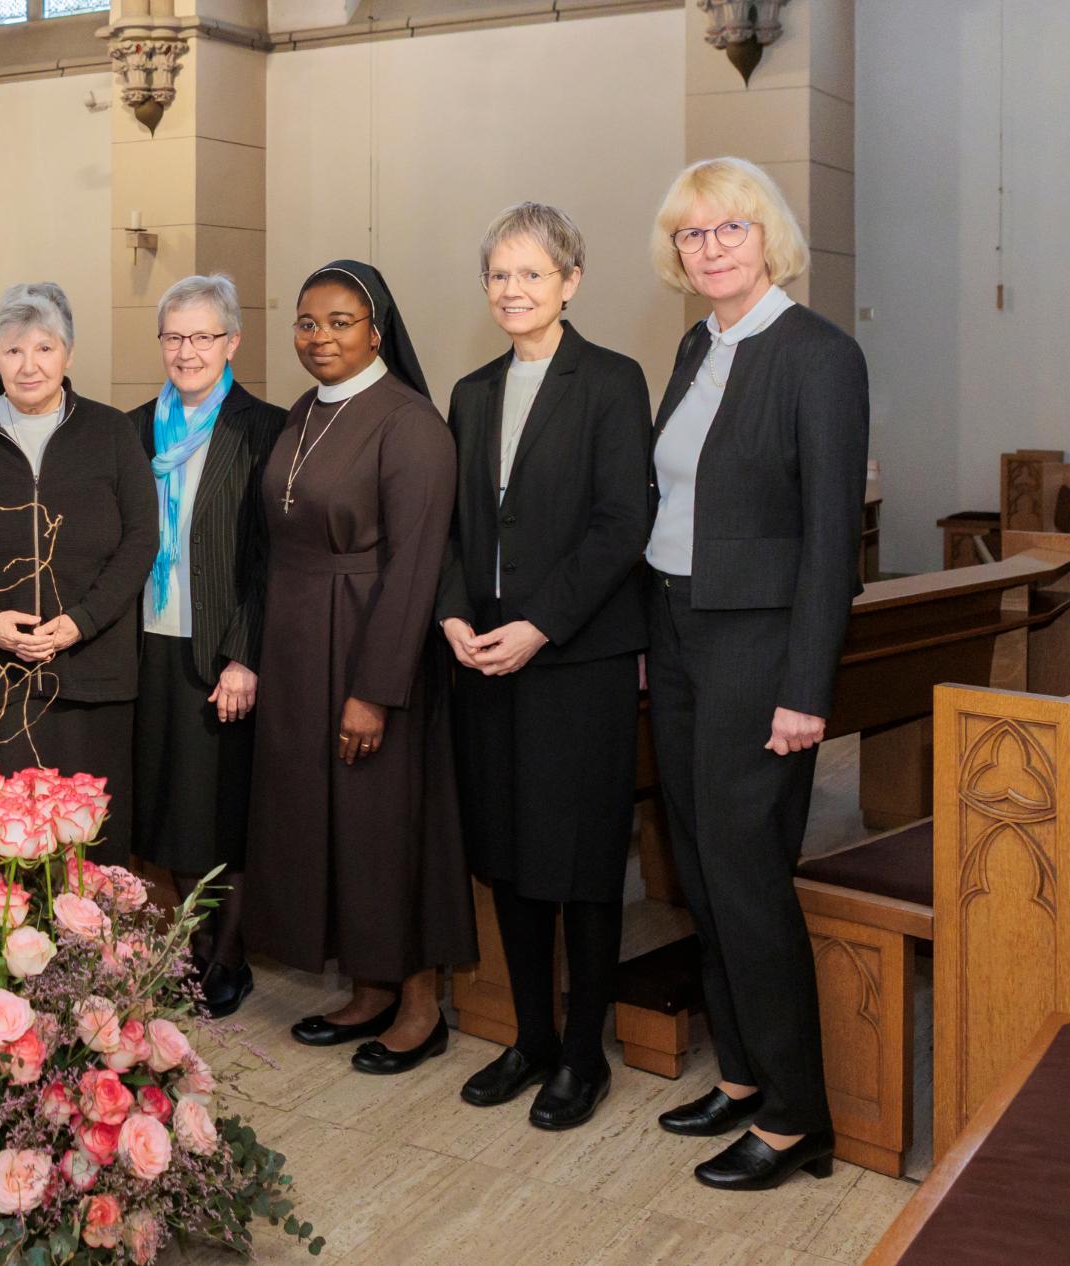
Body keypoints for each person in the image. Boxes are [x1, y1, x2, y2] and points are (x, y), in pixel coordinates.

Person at [643, 157, 868, 1190]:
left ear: (767, 236)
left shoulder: (818, 356)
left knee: (746, 875)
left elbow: (832, 542)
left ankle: (795, 1116)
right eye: (693, 235)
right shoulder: (698, 343)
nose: (711, 249)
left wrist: (806, 689)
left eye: (729, 229)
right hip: (681, 630)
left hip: (757, 646)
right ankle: (740, 1075)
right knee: (697, 864)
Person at [435, 203, 653, 1130]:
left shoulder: (611, 382)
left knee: (581, 863)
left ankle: (581, 1054)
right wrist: (450, 612)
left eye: (531, 273)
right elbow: (449, 525)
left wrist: (540, 626)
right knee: (512, 858)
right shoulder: (472, 390)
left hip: (576, 659)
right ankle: (528, 1038)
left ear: (570, 280)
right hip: (484, 655)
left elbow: (620, 529)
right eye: (498, 275)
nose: (512, 290)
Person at [245, 260, 473, 1073]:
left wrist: (374, 691)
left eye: (341, 322)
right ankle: (368, 987)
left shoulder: (411, 423)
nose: (320, 338)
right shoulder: (304, 412)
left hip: (375, 646)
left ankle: (418, 1004)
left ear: (377, 330)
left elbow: (415, 567)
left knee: (384, 827)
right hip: (303, 647)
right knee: (328, 824)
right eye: (307, 323)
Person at [0, 282, 157, 862]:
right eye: (13, 351)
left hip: (93, 679)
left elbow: (141, 540)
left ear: (68, 355)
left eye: (44, 349)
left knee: (89, 852)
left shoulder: (112, 433)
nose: (29, 366)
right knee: (2, 852)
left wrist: (82, 621)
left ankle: (94, 954)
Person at [125, 274, 286, 1018]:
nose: (187, 351)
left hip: (220, 649)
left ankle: (228, 955)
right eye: (174, 336)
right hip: (148, 643)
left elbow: (269, 558)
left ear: (233, 343)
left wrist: (245, 653)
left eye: (203, 336)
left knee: (224, 808)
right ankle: (186, 950)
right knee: (168, 806)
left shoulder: (265, 429)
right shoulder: (132, 430)